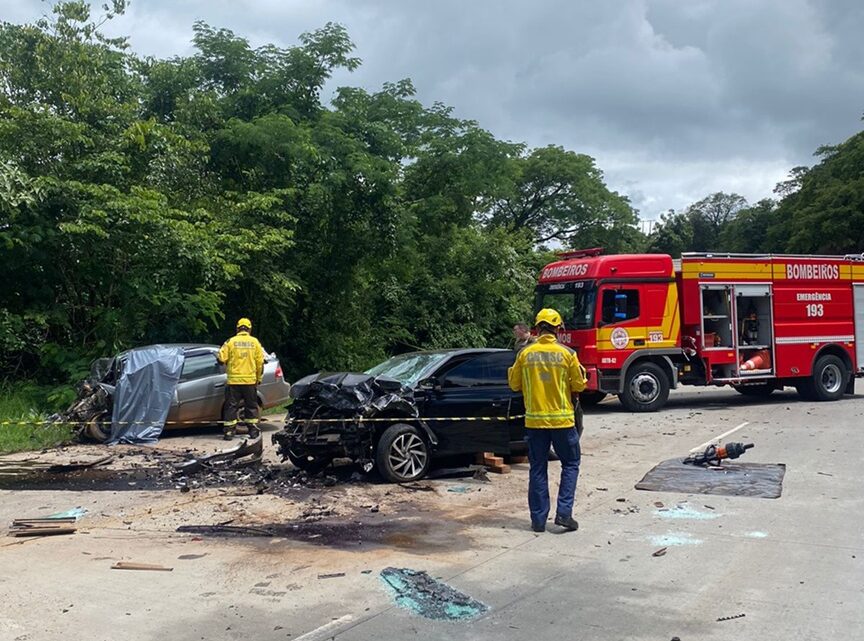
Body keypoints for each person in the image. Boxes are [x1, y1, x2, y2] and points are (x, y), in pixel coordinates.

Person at [508, 308, 586, 533]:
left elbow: (514, 385)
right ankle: (564, 514)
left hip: (534, 423)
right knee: (570, 464)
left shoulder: (525, 354)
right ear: (558, 328)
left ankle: (538, 520)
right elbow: (579, 385)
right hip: (562, 422)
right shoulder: (567, 354)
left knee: (538, 468)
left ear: (537, 328)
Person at [217, 318, 266, 440]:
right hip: (250, 381)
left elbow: (221, 358)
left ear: (237, 328)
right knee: (251, 406)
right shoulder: (255, 342)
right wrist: (258, 378)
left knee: (231, 406)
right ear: (249, 329)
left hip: (234, 382)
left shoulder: (231, 342)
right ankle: (253, 431)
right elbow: (260, 363)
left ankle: (229, 432)